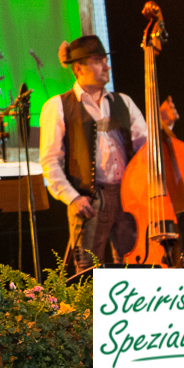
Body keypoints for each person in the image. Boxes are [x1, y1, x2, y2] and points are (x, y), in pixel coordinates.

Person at [38, 35, 148, 273]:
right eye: (98, 61)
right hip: (89, 199)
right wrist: (73, 197)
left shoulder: (123, 102)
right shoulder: (58, 106)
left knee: (134, 266)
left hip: (128, 196)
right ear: (78, 68)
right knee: (89, 272)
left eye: (105, 61)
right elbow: (50, 160)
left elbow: (145, 148)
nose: (106, 67)